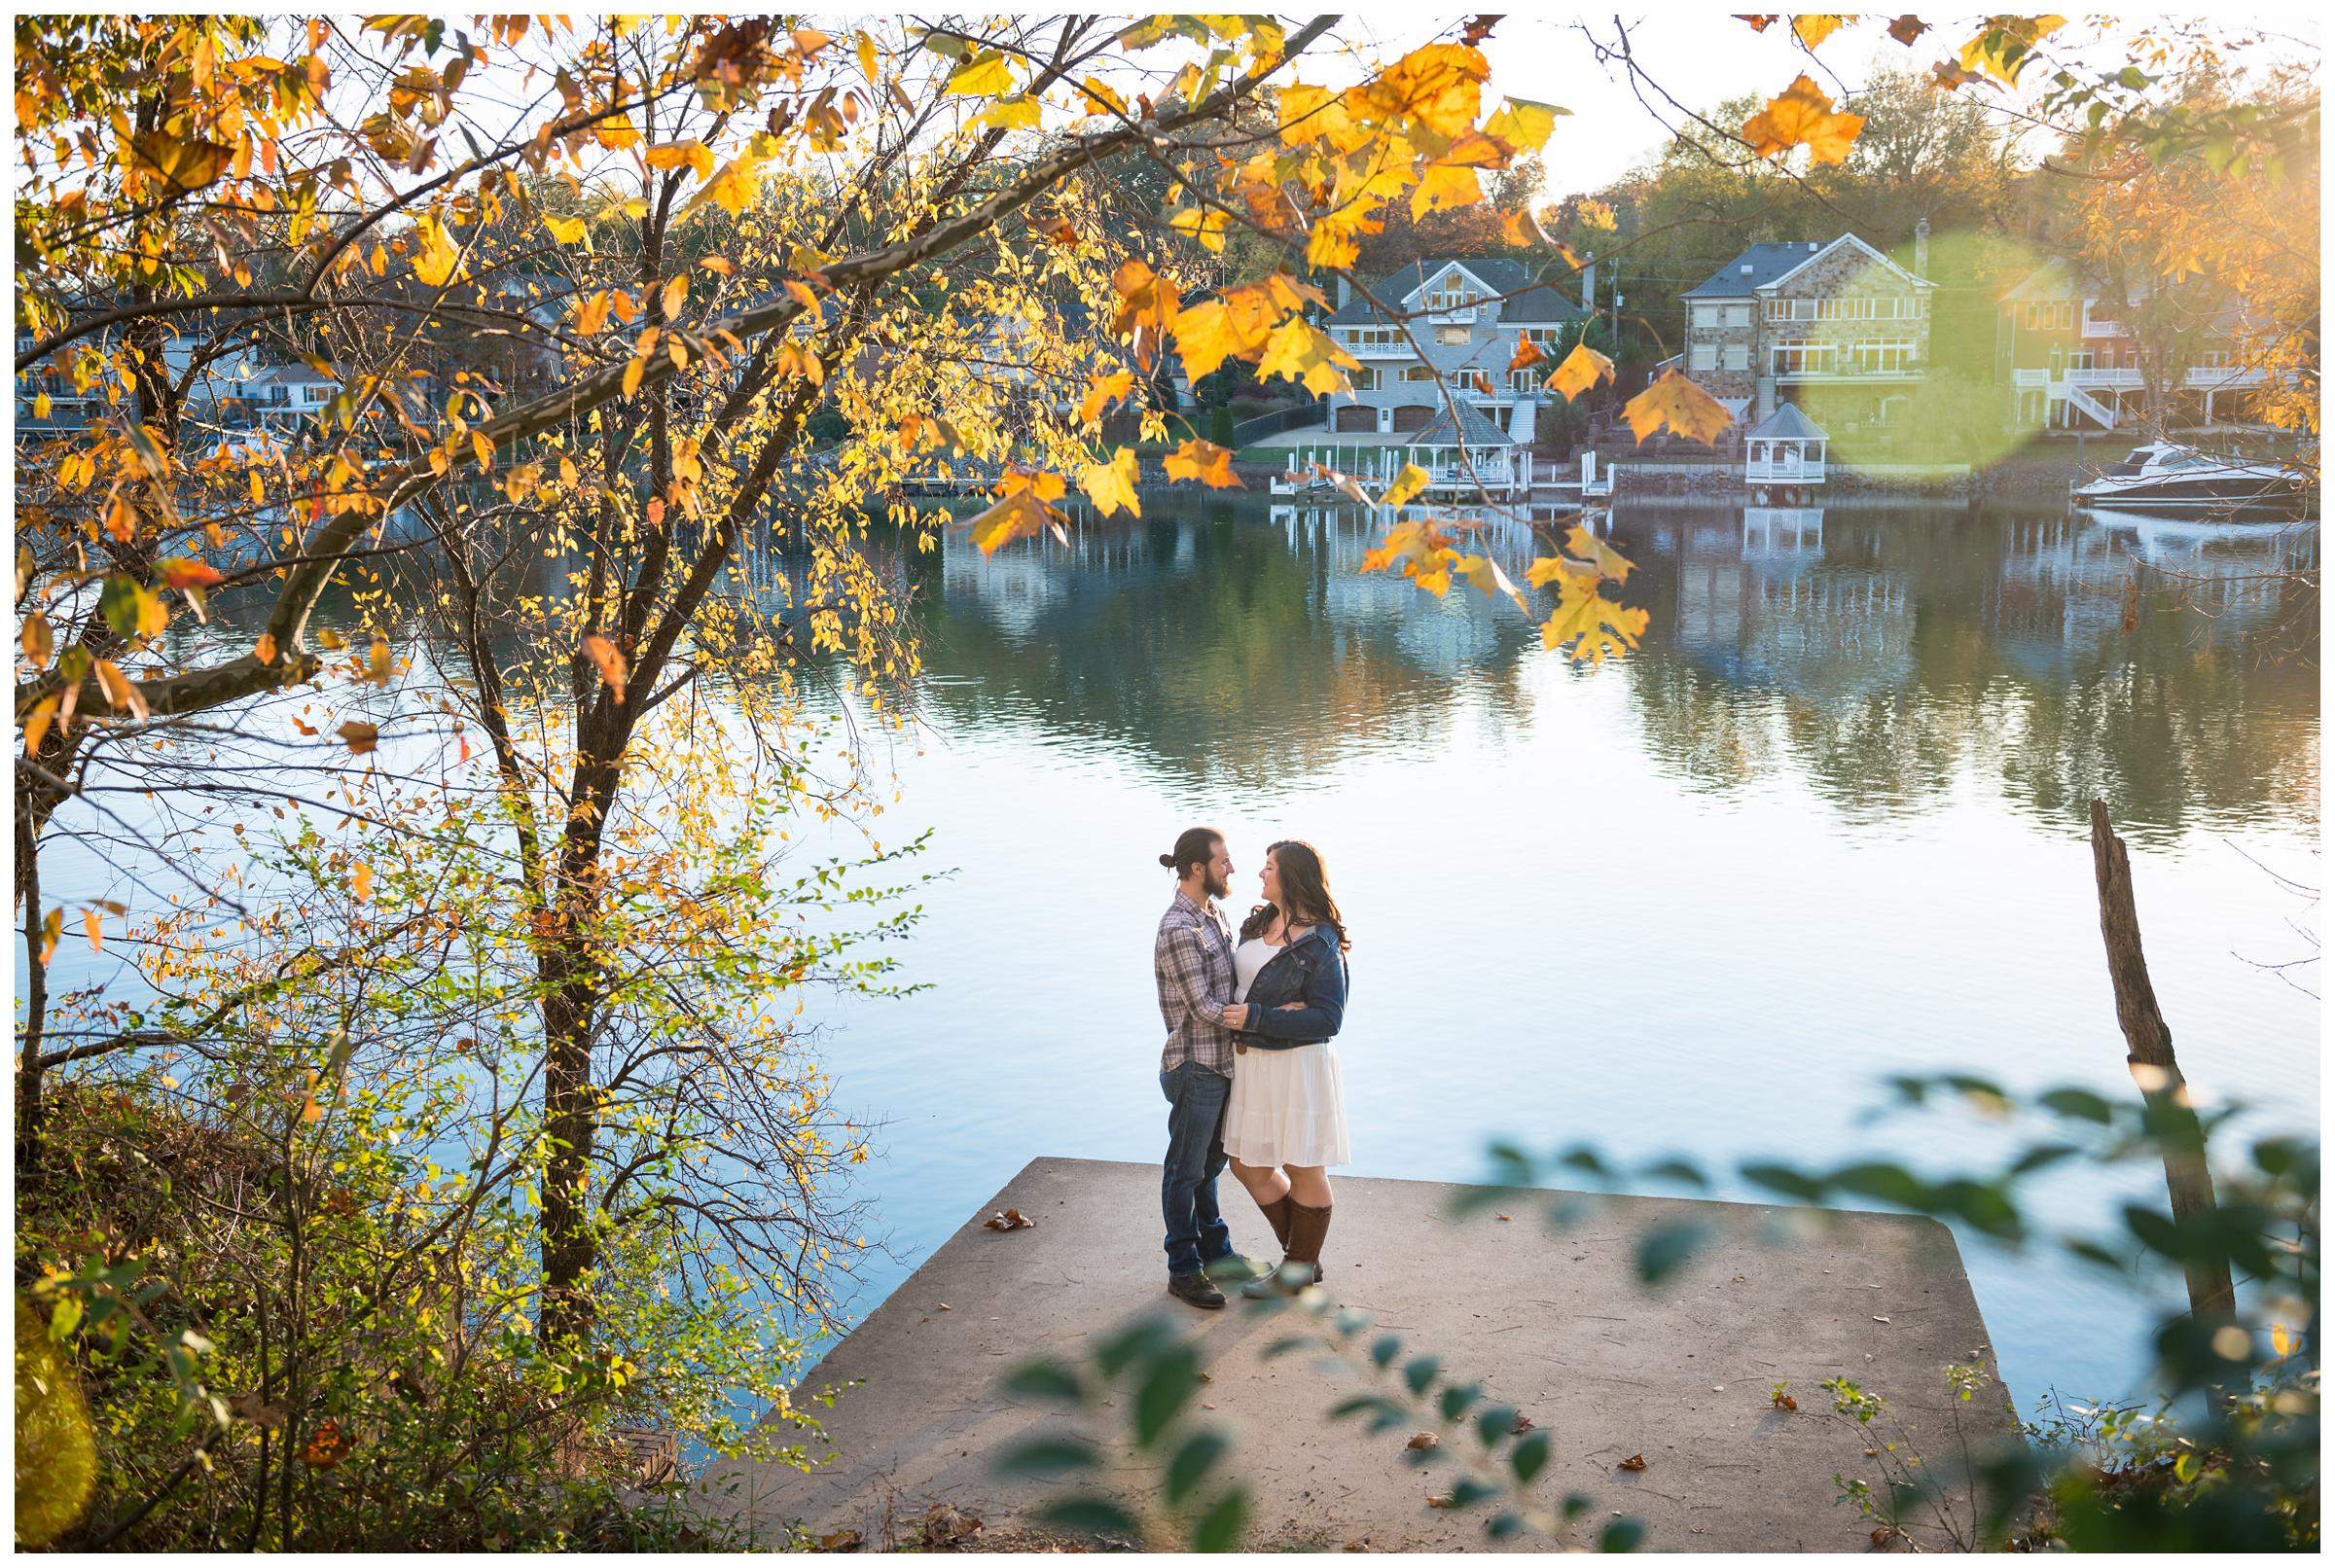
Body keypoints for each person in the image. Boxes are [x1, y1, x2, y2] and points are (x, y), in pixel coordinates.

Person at [1219, 839, 1351, 1297]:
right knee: (1245, 1163)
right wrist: (1266, 1013)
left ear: (1293, 875)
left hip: (1298, 1065)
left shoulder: (1320, 940)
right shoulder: (1258, 922)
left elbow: (1329, 1018)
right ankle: (1302, 1260)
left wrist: (1262, 1017)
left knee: (1303, 1166)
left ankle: (1295, 1270)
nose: (1260, 873)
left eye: (1270, 866)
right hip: (1253, 1063)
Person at [1152, 827, 1266, 1309]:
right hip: (1195, 1065)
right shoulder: (1179, 928)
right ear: (1197, 868)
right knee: (1185, 1170)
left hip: (1220, 1065)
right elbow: (1202, 1005)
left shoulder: (1213, 912)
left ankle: (1215, 1251)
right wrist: (1263, 1022)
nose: (1232, 868)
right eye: (1223, 861)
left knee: (1210, 1167)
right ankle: (1184, 1268)